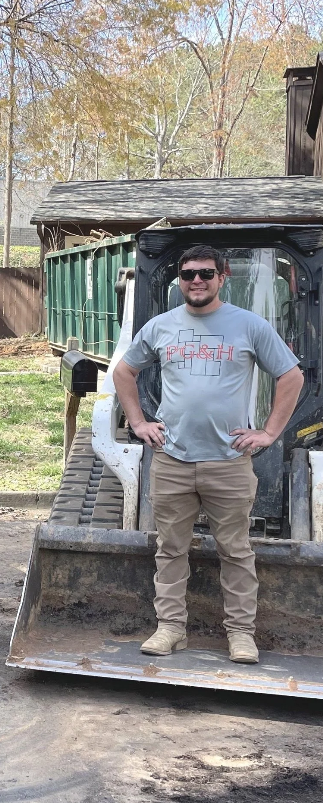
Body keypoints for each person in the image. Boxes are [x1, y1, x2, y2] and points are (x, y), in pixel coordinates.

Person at [113, 244, 303, 665]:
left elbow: (291, 376)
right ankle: (170, 629)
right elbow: (124, 371)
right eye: (188, 274)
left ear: (222, 275)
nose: (196, 281)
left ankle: (240, 635)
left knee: (235, 550)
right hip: (172, 460)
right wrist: (140, 422)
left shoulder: (248, 326)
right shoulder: (161, 327)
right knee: (170, 548)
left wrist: (269, 432)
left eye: (205, 273)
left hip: (229, 463)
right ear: (179, 280)